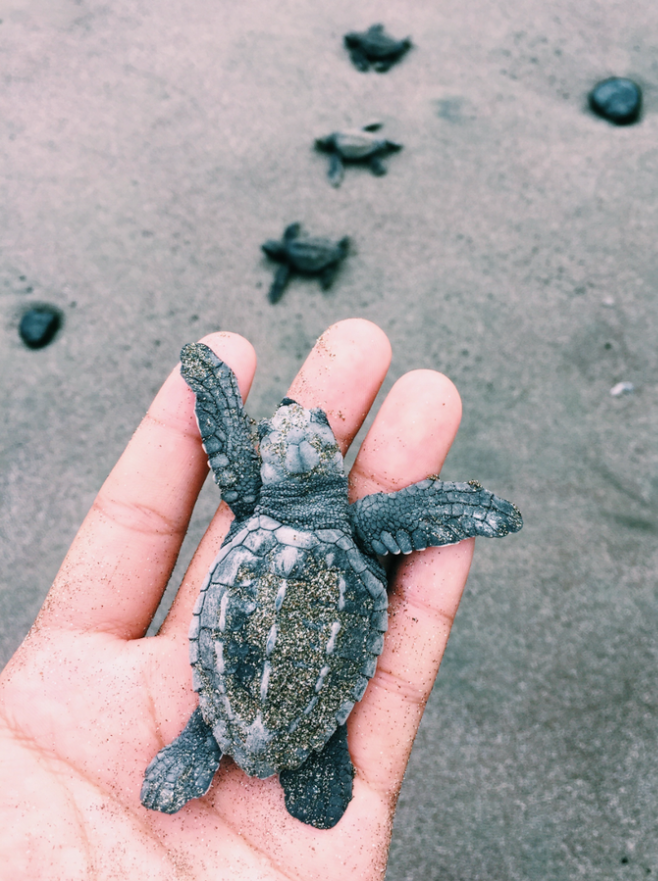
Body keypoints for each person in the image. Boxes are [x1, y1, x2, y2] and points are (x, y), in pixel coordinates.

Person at [0, 319, 478, 880]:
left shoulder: (254, 502)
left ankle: (206, 738)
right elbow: (417, 515)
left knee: (220, 707)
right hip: (315, 676)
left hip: (232, 676)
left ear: (270, 462)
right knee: (397, 522)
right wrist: (473, 513)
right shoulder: (360, 527)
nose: (301, 424)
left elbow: (230, 447)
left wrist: (214, 390)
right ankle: (302, 749)